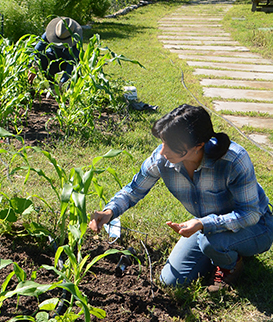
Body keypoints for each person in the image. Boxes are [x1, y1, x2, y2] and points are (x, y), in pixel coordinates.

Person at [88, 104, 273, 292]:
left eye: (171, 146)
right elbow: (134, 190)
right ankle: (219, 253)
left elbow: (251, 214)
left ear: (198, 145)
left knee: (211, 243)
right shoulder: (162, 159)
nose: (162, 151)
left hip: (256, 227)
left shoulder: (233, 160)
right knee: (171, 280)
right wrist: (109, 211)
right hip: (206, 228)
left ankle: (231, 266)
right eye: (163, 142)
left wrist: (202, 224)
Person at [33, 16, 83, 84]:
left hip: (67, 60)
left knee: (78, 65)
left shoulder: (76, 38)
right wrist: (33, 66)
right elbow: (36, 50)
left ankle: (68, 88)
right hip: (53, 59)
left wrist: (62, 82)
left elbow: (73, 62)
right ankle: (52, 84)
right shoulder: (50, 32)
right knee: (42, 59)